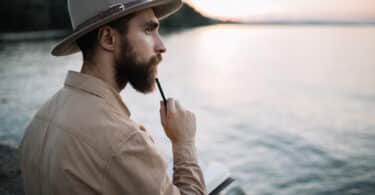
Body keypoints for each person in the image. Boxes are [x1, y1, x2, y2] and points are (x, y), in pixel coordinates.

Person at [18, 0, 207, 194]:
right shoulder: (123, 141)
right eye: (148, 30)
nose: (161, 46)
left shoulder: (40, 119)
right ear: (108, 38)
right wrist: (184, 142)